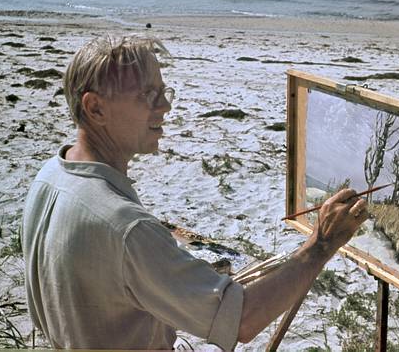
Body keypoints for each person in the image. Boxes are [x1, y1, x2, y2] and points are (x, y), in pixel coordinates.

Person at [22, 34, 368, 350]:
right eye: (148, 96)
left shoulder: (50, 175)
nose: (165, 107)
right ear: (95, 108)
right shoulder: (126, 228)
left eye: (164, 92)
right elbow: (242, 320)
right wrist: (322, 244)